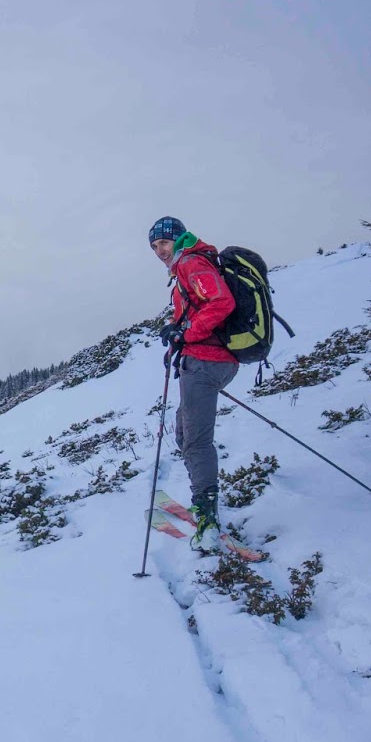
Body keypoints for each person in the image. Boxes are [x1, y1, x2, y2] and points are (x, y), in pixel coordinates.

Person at [149, 215, 237, 552]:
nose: (159, 250)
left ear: (179, 238)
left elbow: (221, 303)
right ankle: (204, 499)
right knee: (186, 434)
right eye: (154, 246)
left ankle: (207, 516)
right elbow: (195, 310)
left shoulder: (191, 263)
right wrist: (177, 335)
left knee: (197, 441)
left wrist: (186, 333)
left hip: (207, 361)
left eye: (164, 242)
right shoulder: (187, 265)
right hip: (204, 359)